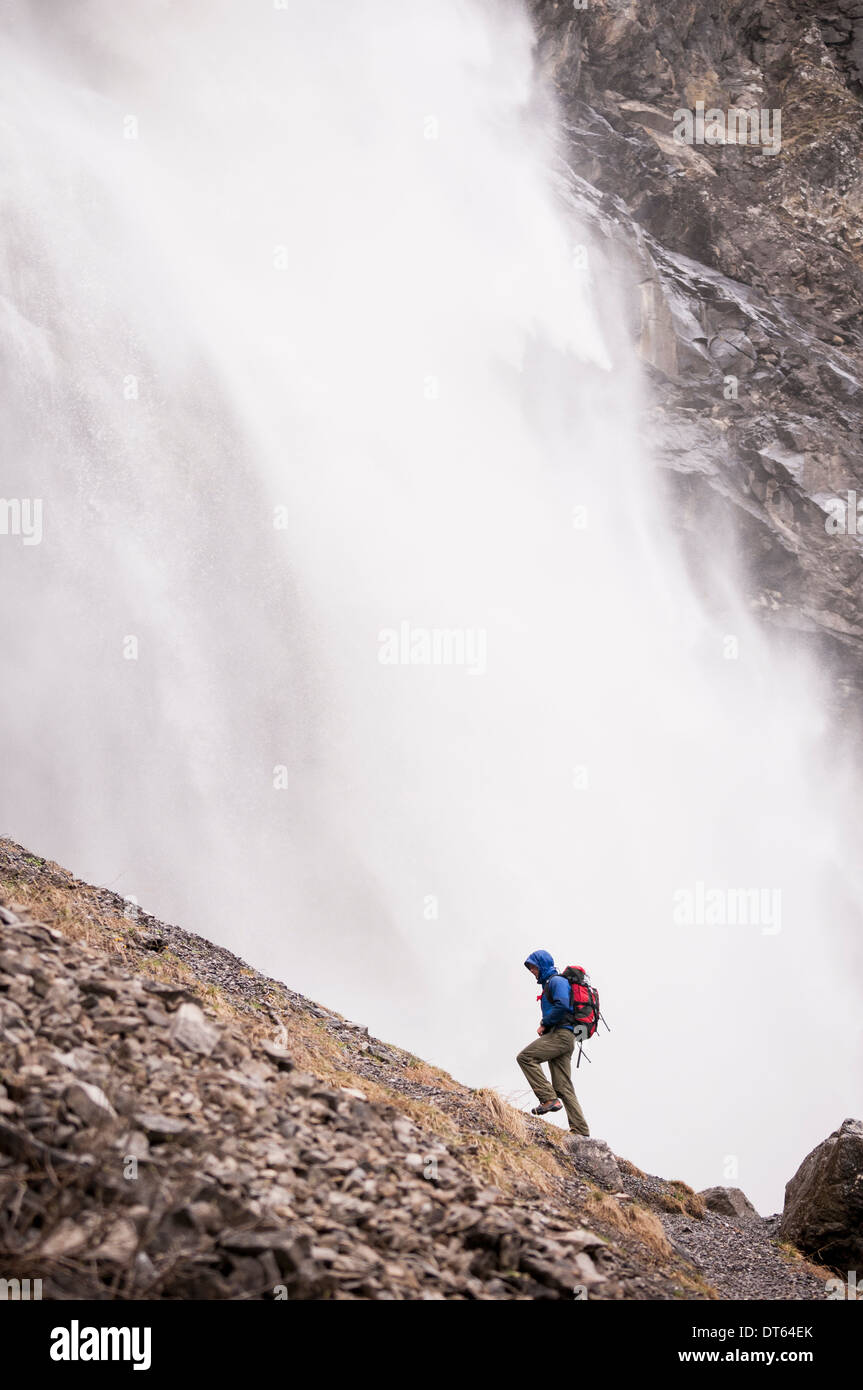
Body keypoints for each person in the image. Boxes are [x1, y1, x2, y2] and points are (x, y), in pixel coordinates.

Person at [517, 949, 589, 1136]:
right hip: (565, 1037)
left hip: (561, 1036)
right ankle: (580, 1131)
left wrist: (544, 1024)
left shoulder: (556, 981)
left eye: (533, 967)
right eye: (530, 968)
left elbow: (563, 1005)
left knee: (525, 1057)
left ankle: (548, 1099)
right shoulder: (552, 983)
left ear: (542, 965)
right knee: (563, 1086)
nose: (532, 971)